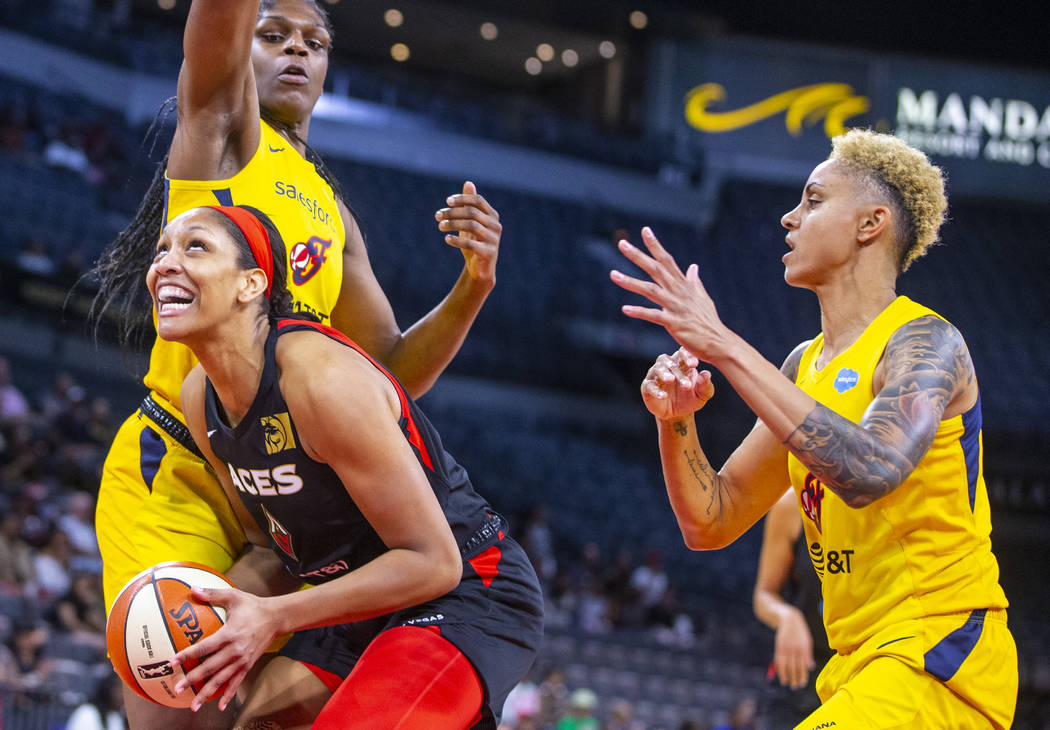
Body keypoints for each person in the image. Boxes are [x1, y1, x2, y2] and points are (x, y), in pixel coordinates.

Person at [89, 0, 504, 726]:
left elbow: (391, 376)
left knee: (276, 710)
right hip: (183, 464)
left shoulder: (329, 209)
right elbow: (215, 36)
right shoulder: (219, 139)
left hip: (285, 485)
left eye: (315, 42)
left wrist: (473, 286)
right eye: (272, 35)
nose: (297, 53)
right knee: (179, 709)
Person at [610, 129, 1017, 728]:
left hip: (940, 652)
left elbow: (869, 468)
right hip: (861, 667)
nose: (789, 216)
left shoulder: (927, 342)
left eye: (813, 200)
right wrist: (678, 425)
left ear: (870, 224)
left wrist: (721, 344)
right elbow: (711, 519)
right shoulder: (803, 367)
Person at [149, 204, 542, 728]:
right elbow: (271, 548)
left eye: (194, 246)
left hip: (466, 588)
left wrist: (273, 617)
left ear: (251, 284)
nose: (164, 264)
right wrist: (203, 612)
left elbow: (433, 562)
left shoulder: (321, 378)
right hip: (360, 601)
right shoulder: (200, 396)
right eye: (161, 251)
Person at [751, 488, 831, 725]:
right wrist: (786, 616)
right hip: (802, 669)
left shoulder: (886, 497)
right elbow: (764, 594)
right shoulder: (792, 504)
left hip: (863, 668)